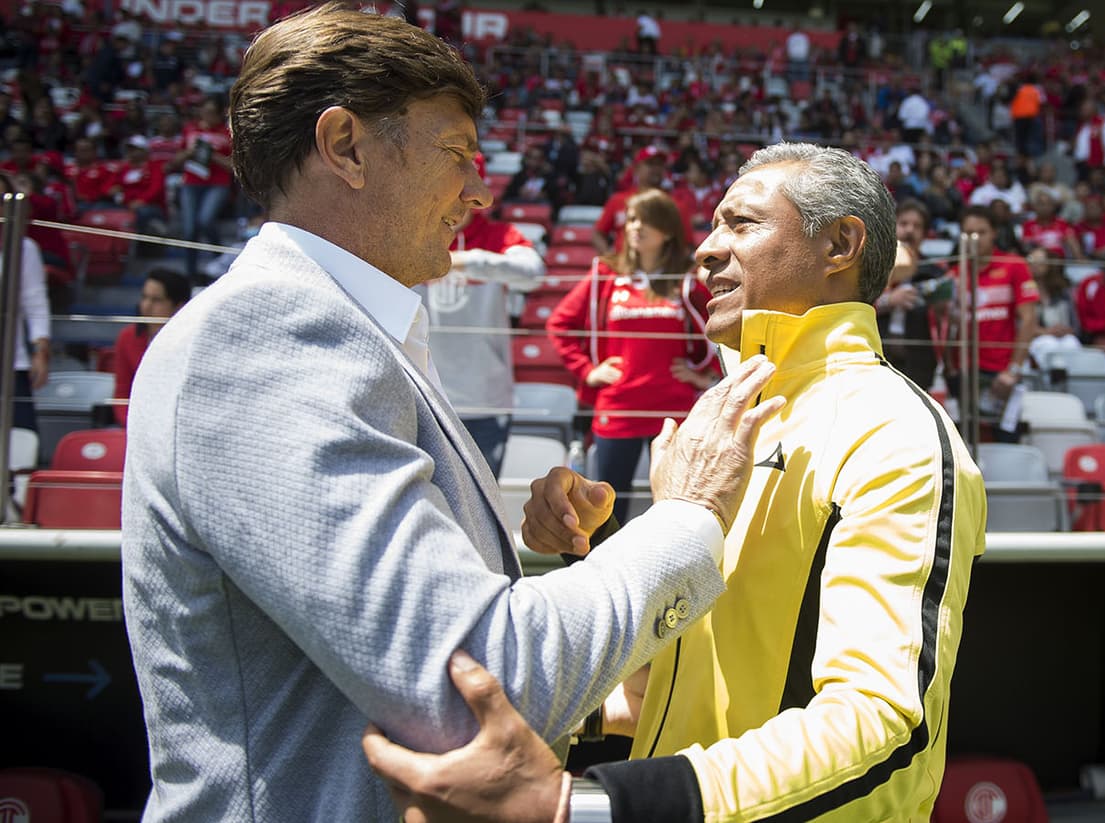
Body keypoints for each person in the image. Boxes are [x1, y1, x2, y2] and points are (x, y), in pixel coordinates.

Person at [120, 7, 783, 821]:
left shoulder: (345, 330)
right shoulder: (267, 336)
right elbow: (474, 677)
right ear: (346, 147)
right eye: (457, 154)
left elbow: (391, 669)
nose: (478, 188)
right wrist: (686, 515)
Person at [363, 142, 987, 822]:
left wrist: (591, 806)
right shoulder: (721, 412)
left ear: (840, 244)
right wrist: (594, 550)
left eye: (741, 223)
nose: (706, 249)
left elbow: (881, 721)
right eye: (713, 225)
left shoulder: (893, 429)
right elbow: (665, 689)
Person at [548, 189, 717, 522]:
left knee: (676, 507)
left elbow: (720, 326)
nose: (635, 227)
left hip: (674, 407)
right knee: (606, 506)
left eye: (647, 221)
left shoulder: (684, 279)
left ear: (668, 230)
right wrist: (588, 371)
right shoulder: (606, 274)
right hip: (619, 405)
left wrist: (705, 374)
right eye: (633, 219)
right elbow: (560, 323)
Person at [413, 165, 546, 476]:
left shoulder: (498, 235)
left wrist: (463, 261)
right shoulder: (415, 235)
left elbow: (533, 273)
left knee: (482, 508)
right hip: (426, 395)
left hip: (486, 399)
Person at [946, 205, 1039, 441]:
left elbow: (1028, 319)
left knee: (1006, 443)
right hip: (964, 373)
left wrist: (1014, 370)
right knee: (962, 446)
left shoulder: (1014, 265)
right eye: (968, 233)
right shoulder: (955, 273)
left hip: (1001, 372)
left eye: (982, 232)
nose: (974, 239)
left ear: (995, 232)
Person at [875, 198, 946, 389]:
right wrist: (889, 300)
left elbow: (946, 316)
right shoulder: (875, 267)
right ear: (893, 227)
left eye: (917, 226)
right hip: (877, 355)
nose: (909, 230)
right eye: (904, 224)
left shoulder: (935, 272)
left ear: (924, 234)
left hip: (919, 359)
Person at [1, 174, 50, 433]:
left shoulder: (25, 248)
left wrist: (40, 350)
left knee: (20, 438)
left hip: (11, 360)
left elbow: (35, 302)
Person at [110, 268, 189, 426]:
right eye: (144, 297)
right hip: (136, 425)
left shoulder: (190, 342)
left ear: (179, 306)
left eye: (156, 300)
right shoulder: (127, 338)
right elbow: (122, 396)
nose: (146, 306)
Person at [171, 95, 233, 278]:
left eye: (211, 113)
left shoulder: (227, 132)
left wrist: (212, 154)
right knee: (190, 229)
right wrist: (190, 152)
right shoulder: (191, 130)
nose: (207, 116)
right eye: (204, 112)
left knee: (205, 220)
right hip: (191, 182)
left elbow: (234, 166)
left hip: (217, 183)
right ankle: (191, 274)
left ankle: (219, 261)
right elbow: (176, 161)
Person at [1025, 247, 1082, 365]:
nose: (1035, 264)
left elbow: (1075, 325)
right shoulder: (1024, 291)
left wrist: (1065, 330)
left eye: (1040, 260)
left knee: (1071, 343)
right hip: (1037, 339)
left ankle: (1072, 381)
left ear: (1049, 264)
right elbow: (1021, 326)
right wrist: (1047, 332)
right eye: (1031, 260)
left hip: (1063, 337)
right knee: (1048, 344)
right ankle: (1049, 382)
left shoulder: (1063, 293)